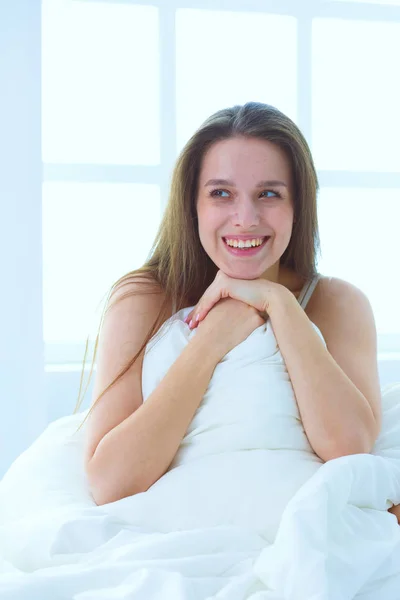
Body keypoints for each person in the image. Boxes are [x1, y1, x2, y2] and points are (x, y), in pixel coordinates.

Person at [73, 101, 400, 523]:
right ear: (193, 205)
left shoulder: (337, 303)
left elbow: (349, 448)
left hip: (304, 534)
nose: (245, 219)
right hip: (175, 534)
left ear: (298, 206)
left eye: (269, 194)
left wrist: (278, 304)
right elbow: (111, 483)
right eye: (221, 193)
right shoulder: (144, 300)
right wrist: (212, 337)